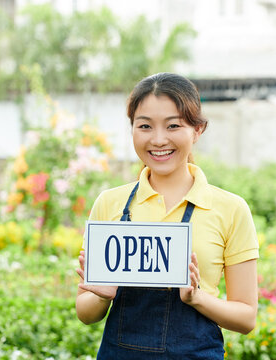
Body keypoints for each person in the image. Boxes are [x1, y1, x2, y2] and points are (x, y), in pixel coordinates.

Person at [75, 72, 259, 359]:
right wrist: (101, 295)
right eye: (145, 126)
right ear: (133, 129)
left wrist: (197, 298)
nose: (158, 140)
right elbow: (85, 313)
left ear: (197, 130)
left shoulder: (231, 209)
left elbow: (246, 317)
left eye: (173, 125)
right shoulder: (110, 203)